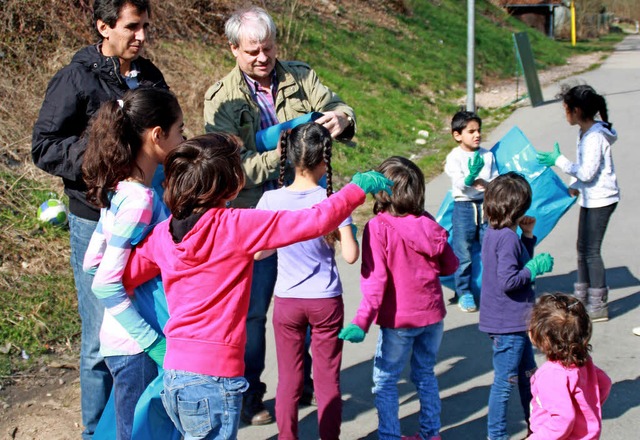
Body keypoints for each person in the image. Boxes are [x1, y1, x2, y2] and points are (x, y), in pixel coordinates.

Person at [120, 132, 392, 440]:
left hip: (174, 374)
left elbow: (126, 276)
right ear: (229, 181)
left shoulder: (162, 235)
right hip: (216, 378)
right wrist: (357, 189)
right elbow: (314, 221)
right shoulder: (235, 225)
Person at [203, 5, 356, 424]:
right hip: (255, 216)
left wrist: (341, 119)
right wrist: (284, 154)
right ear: (233, 48)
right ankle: (251, 395)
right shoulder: (221, 99)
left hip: (307, 208)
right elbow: (230, 167)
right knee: (254, 312)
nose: (262, 58)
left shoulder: (300, 77)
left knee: (307, 298)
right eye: (251, 51)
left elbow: (340, 106)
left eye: (268, 48)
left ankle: (303, 381)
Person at [31, 1, 167, 437]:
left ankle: (134, 424)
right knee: (97, 339)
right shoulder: (76, 78)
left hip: (147, 216)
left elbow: (166, 134)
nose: (141, 36)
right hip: (96, 219)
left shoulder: (150, 78)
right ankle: (95, 431)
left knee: (143, 323)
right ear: (103, 27)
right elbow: (45, 145)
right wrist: (102, 166)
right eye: (132, 27)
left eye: (145, 26)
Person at [81, 88, 183, 440]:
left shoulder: (119, 189)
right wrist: (153, 342)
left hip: (120, 341)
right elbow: (103, 281)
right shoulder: (140, 199)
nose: (183, 138)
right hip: (137, 346)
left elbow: (91, 261)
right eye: (180, 130)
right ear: (157, 136)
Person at [340, 156, 459, 440]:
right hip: (432, 317)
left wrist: (361, 321)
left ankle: (390, 436)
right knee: (425, 374)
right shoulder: (428, 221)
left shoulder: (378, 227)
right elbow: (450, 266)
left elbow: (375, 280)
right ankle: (431, 433)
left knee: (385, 380)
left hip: (399, 320)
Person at [254, 122, 359, 439]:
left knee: (288, 378)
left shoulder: (271, 202)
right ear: (323, 160)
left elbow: (259, 253)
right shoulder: (335, 200)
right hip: (326, 301)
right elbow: (352, 255)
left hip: (287, 301)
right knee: (327, 378)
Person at [479, 172, 554, 440]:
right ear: (518, 208)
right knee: (505, 382)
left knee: (527, 376)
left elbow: (512, 264)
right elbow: (509, 280)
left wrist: (528, 237)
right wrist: (533, 269)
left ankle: (536, 426)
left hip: (510, 320)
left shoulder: (494, 232)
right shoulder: (507, 238)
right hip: (508, 323)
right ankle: (496, 435)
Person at [537, 84, 619, 323]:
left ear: (577, 110)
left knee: (591, 251)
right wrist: (574, 185)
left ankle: (598, 304)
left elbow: (587, 172)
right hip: (591, 197)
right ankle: (582, 298)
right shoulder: (585, 132)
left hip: (602, 199)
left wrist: (559, 160)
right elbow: (585, 173)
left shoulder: (594, 136)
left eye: (566, 108)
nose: (565, 113)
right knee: (582, 248)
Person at [527, 293, 612, 439]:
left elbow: (563, 418)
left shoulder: (550, 374)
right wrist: (587, 411)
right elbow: (605, 383)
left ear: (543, 338)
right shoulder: (583, 361)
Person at [444, 111, 498, 312]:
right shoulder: (454, 157)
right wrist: (469, 178)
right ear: (457, 135)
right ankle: (464, 292)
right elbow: (458, 182)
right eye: (471, 131)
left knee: (489, 249)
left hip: (485, 207)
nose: (477, 135)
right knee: (463, 252)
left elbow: (495, 178)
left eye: (479, 131)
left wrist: (488, 183)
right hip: (464, 207)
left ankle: (492, 290)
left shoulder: (487, 155)